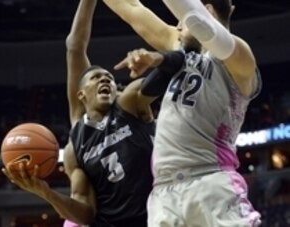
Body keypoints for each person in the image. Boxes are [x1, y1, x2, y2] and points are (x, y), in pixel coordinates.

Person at [2, 0, 185, 226]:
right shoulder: (75, 144)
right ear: (81, 95)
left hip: (156, 218)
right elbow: (85, 212)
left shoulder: (129, 104)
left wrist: (158, 58)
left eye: (109, 77)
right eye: (96, 77)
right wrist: (44, 192)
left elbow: (171, 70)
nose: (105, 79)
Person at [104, 0, 262, 226]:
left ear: (206, 12)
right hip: (163, 193)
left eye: (180, 21)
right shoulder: (180, 49)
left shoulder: (239, 58)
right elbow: (131, 8)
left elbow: (197, 19)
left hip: (210, 182)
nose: (176, 27)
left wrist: (192, 16)